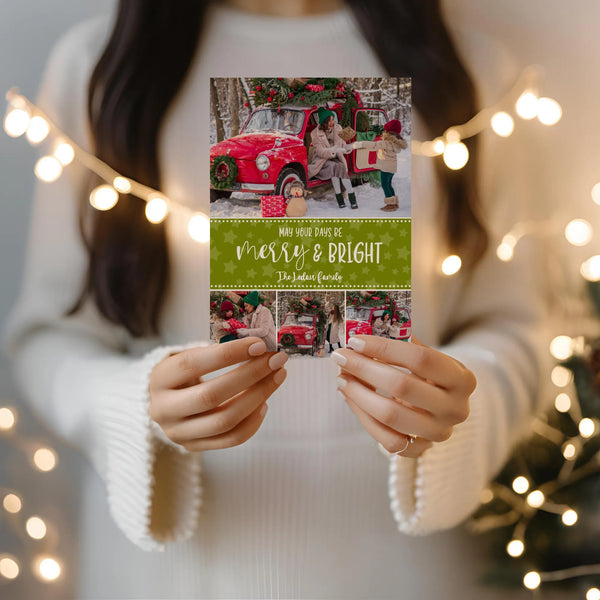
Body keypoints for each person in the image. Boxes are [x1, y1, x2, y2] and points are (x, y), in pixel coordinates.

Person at [2, 1, 548, 598]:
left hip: (407, 570)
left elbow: (518, 327)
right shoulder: (100, 68)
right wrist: (135, 403)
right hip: (172, 575)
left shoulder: (471, 71)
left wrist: (463, 403)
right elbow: (47, 334)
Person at [353, 118, 407, 211]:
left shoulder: (386, 143)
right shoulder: (394, 143)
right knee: (389, 185)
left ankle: (390, 205)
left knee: (385, 185)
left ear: (389, 132)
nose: (384, 131)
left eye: (386, 129)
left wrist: (361, 143)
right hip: (392, 168)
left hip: (386, 169)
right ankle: (394, 203)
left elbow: (374, 146)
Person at [308, 107, 357, 209]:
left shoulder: (337, 128)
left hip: (336, 159)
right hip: (322, 162)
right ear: (324, 122)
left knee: (338, 166)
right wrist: (334, 150)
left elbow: (342, 144)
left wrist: (347, 148)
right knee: (335, 167)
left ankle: (341, 199)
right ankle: (351, 199)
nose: (332, 122)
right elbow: (321, 152)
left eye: (333, 119)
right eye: (329, 120)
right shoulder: (315, 134)